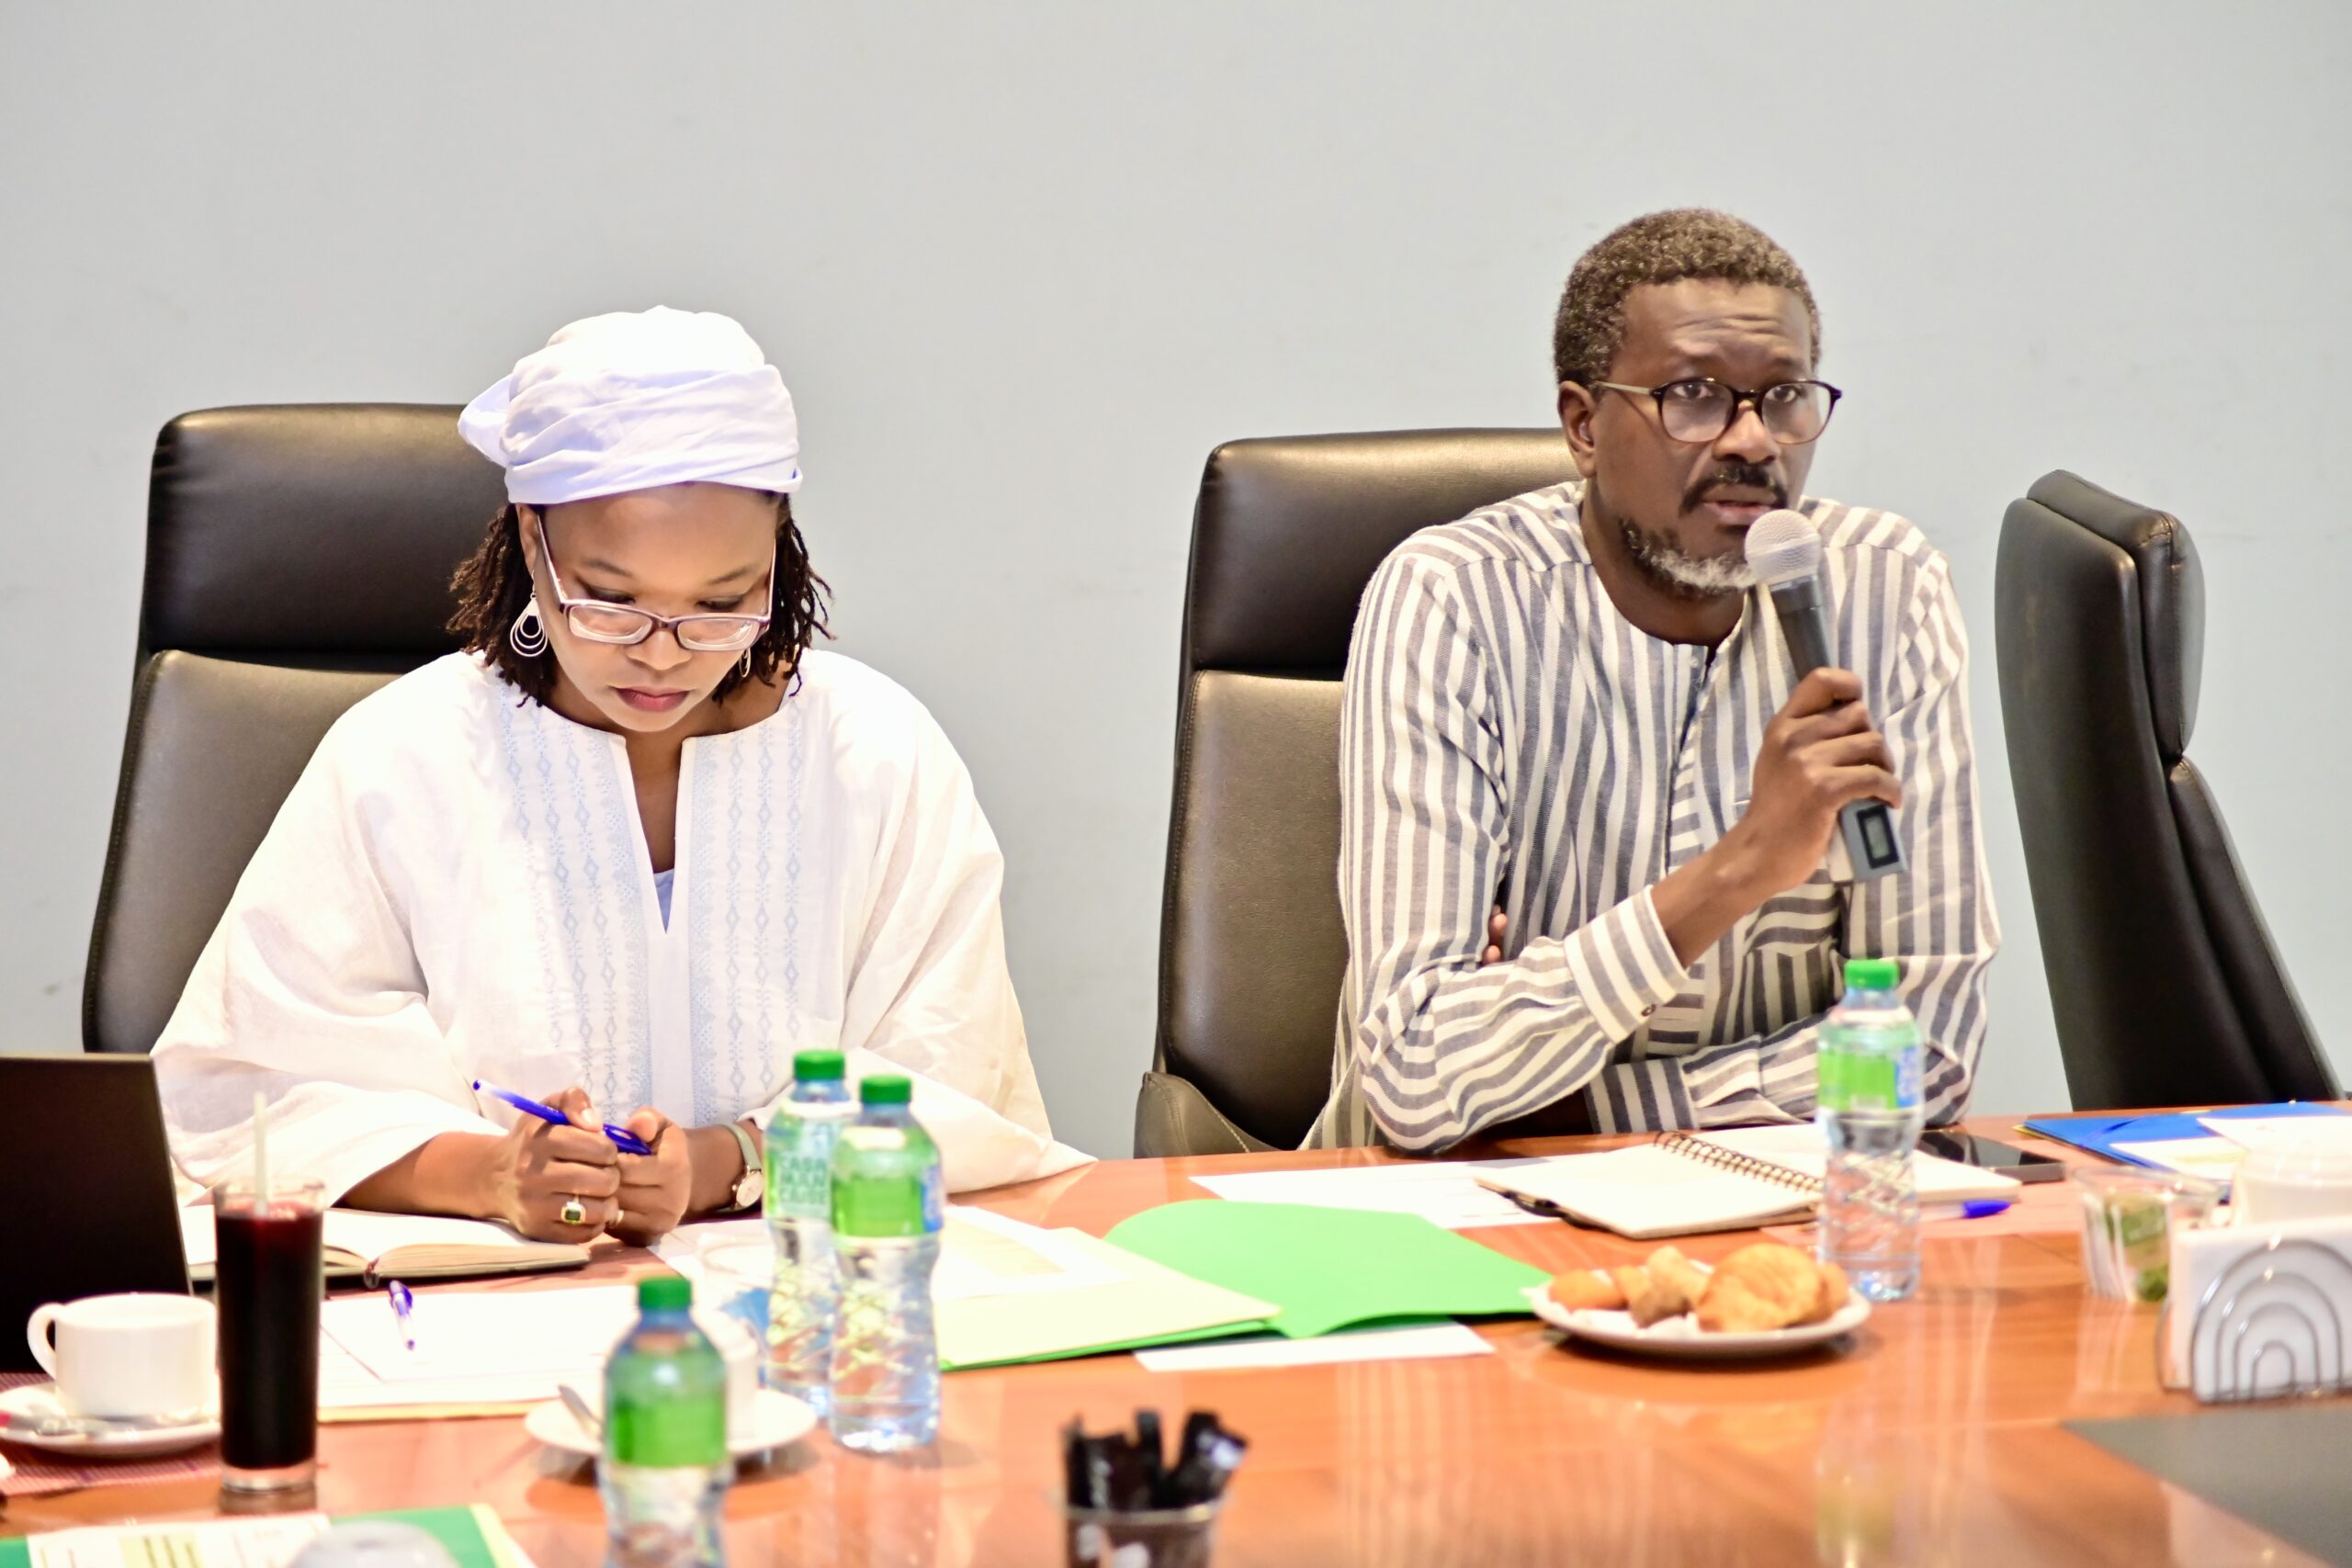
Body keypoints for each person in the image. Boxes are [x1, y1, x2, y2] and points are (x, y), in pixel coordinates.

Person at [154, 307, 1087, 1241]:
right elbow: (247, 1093)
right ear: (532, 543)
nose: (663, 653)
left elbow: (956, 1078)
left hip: (809, 1288)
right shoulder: (401, 755)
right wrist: (493, 1175)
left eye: (721, 602)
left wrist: (729, 1161)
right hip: (496, 1301)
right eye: (610, 600)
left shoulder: (877, 751)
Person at [1308, 209, 1997, 1152]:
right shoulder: (1453, 598)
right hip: (1437, 1205)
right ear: (1583, 425)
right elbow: (1416, 1076)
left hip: (1771, 1193)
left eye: (1783, 397)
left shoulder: (1885, 592)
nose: (1753, 442)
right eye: (1694, 396)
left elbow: (1928, 1048)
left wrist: (1578, 1109)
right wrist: (1741, 867)